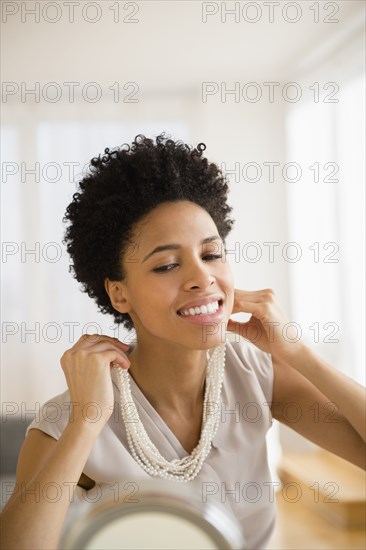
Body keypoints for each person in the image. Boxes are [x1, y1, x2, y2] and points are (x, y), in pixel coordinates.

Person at [1, 134, 365, 550]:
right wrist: (86, 420)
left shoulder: (254, 372)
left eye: (211, 254)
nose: (202, 277)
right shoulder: (68, 420)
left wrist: (300, 355)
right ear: (119, 293)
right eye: (168, 265)